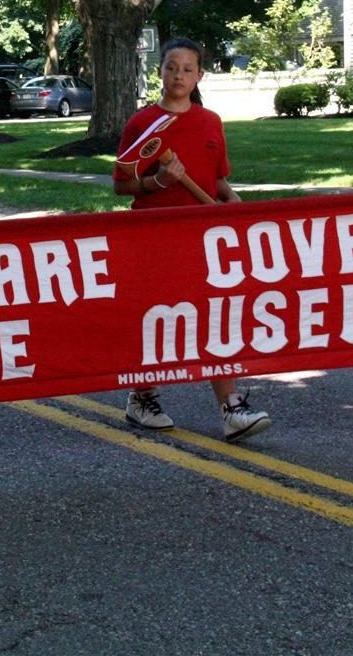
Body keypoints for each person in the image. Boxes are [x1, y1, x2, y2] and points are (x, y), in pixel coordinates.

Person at [112, 37, 272, 443]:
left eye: (187, 68)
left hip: (203, 238)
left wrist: (231, 200)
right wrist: (157, 180)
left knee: (214, 315)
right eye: (170, 67)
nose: (178, 74)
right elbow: (122, 185)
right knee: (160, 318)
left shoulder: (210, 122)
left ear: (200, 75)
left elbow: (216, 179)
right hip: (154, 237)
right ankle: (142, 396)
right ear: (159, 71)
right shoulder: (141, 123)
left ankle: (231, 406)